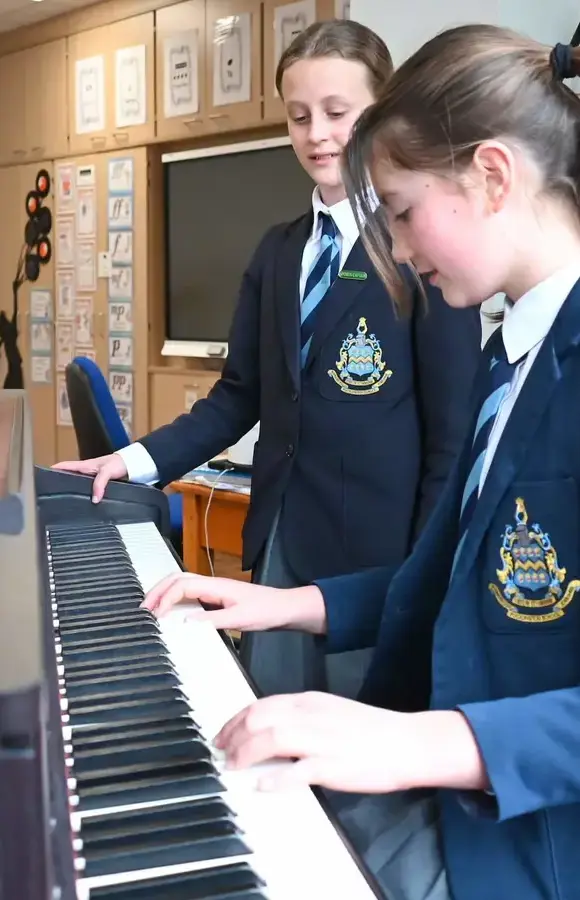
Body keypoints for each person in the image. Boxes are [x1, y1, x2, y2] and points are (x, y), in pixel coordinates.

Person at [141, 25, 580, 900]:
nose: (400, 249)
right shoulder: (513, 356)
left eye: (406, 212)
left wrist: (423, 741)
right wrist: (287, 602)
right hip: (449, 802)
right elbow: (448, 578)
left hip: (529, 846)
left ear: (492, 176)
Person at [54, 20, 480, 700]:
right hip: (278, 545)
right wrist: (131, 461)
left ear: (384, 111)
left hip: (375, 566)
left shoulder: (423, 249)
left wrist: (422, 575)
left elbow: (453, 440)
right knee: (272, 741)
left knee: (353, 775)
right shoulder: (279, 252)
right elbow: (237, 397)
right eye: (299, 116)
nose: (318, 135)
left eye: (339, 113)